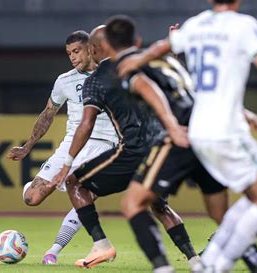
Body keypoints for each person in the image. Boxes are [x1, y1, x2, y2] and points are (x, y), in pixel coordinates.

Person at [118, 0, 257, 271]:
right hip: (227, 131)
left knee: (249, 203)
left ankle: (211, 261)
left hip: (197, 131)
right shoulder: (244, 25)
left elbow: (165, 46)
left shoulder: (195, 25)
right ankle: (216, 265)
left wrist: (138, 58)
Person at [103, 15, 257, 273]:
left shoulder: (127, 65)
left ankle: (163, 269)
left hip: (181, 135)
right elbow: (197, 87)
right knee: (220, 214)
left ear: (107, 47)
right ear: (137, 40)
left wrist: (170, 126)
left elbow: (148, 88)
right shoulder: (165, 59)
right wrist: (241, 113)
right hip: (208, 131)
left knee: (132, 204)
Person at [50, 25, 201, 270]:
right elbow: (166, 73)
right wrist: (174, 47)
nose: (76, 55)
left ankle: (101, 245)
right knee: (158, 204)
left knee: (74, 182)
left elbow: (86, 124)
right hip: (161, 147)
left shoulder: (95, 82)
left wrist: (66, 162)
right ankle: (195, 260)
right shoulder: (136, 62)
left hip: (131, 151)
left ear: (93, 49)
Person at [7, 30, 118, 265]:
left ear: (91, 48)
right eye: (69, 53)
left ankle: (54, 250)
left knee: (83, 195)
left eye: (76, 51)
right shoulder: (64, 81)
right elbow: (48, 113)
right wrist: (27, 147)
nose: (73, 57)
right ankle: (39, 186)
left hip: (106, 145)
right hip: (71, 143)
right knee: (32, 198)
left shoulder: (111, 72)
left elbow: (143, 59)